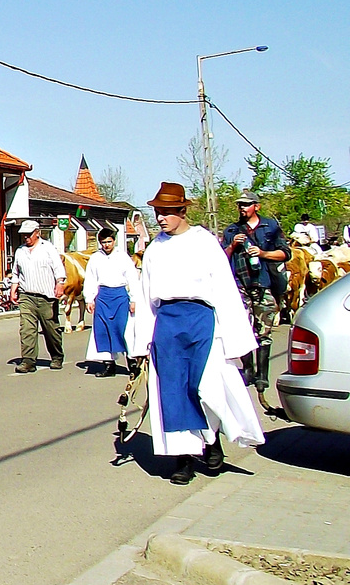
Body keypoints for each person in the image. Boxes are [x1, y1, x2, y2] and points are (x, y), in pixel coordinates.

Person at [130, 182, 265, 485]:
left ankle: (211, 439)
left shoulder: (204, 242)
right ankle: (184, 459)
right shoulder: (154, 249)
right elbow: (146, 294)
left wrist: (235, 338)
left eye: (165, 212)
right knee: (173, 391)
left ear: (181, 211)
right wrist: (142, 341)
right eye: (157, 212)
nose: (160, 218)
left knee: (204, 387)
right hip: (167, 322)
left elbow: (225, 289)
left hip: (201, 319)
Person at [83, 226, 144, 377]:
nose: (106, 245)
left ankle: (132, 363)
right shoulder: (95, 258)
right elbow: (90, 279)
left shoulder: (122, 257)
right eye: (103, 242)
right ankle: (109, 365)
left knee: (123, 329)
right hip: (103, 296)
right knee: (103, 330)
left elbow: (132, 279)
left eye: (109, 241)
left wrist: (134, 299)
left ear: (114, 241)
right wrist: (89, 299)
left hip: (120, 296)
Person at [221, 191, 289, 325]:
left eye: (246, 204)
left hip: (264, 284)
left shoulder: (271, 227)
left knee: (264, 332)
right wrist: (232, 245)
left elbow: (285, 254)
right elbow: (220, 260)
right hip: (240, 286)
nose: (242, 208)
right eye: (240, 205)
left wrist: (262, 253)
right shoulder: (231, 230)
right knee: (243, 330)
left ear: (257, 207)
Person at [11, 219, 67, 373]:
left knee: (51, 329)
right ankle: (28, 361)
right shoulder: (20, 251)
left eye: (29, 234)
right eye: (24, 235)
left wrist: (60, 284)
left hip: (46, 296)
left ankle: (57, 356)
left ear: (37, 233)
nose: (26, 237)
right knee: (27, 329)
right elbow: (16, 272)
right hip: (26, 295)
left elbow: (58, 269)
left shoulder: (48, 248)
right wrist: (13, 288)